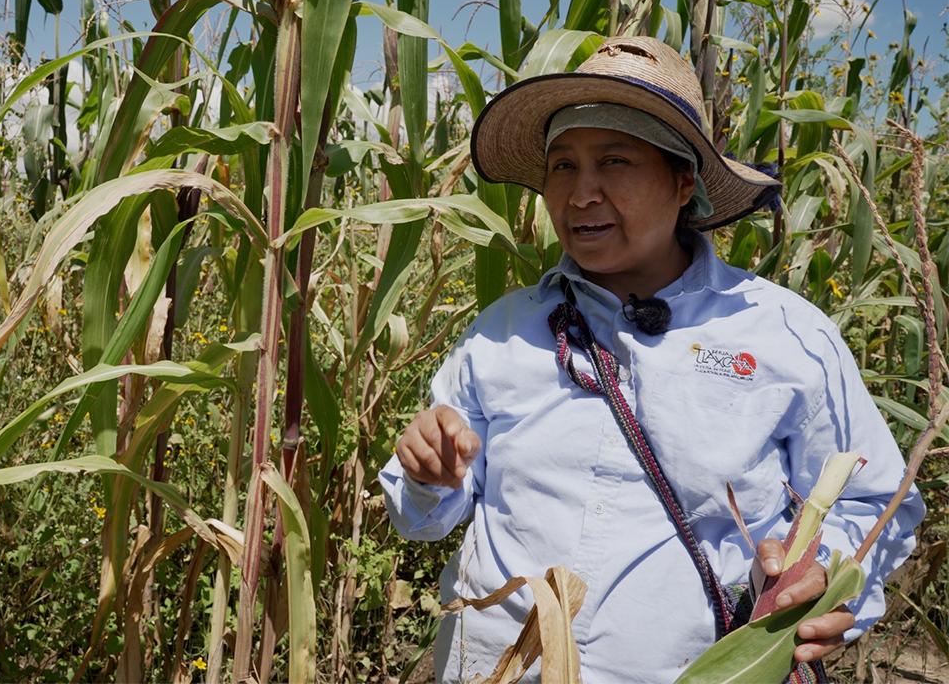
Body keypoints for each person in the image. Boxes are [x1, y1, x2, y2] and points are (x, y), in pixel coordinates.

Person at [379, 36, 925, 683]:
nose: (581, 194)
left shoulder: (784, 337)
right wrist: (428, 475)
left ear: (683, 181)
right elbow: (422, 519)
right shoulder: (502, 333)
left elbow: (875, 507)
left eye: (615, 162)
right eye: (562, 165)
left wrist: (822, 575)